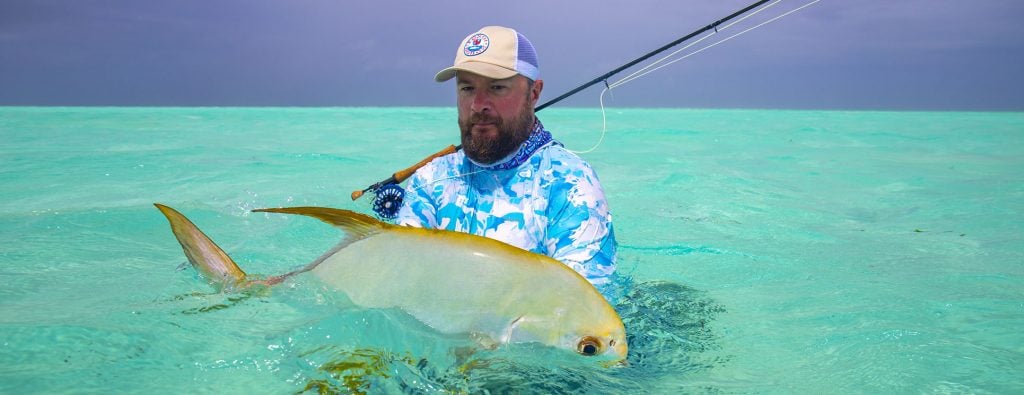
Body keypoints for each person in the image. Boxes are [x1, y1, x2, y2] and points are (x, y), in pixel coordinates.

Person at [395, 26, 617, 287]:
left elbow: (586, 311)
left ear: (534, 93)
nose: (478, 105)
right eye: (467, 88)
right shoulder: (430, 180)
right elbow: (403, 283)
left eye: (497, 87)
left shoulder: (569, 183)